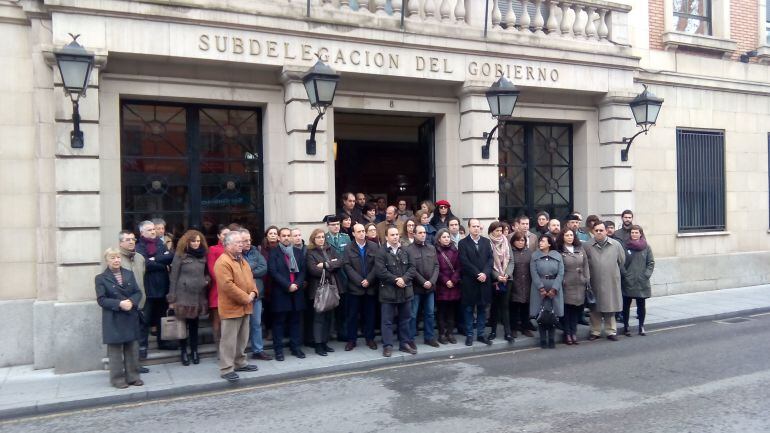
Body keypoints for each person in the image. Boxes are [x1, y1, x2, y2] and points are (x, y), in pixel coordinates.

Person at [214, 231, 259, 382]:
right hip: (231, 308)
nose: (241, 244)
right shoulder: (223, 262)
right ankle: (226, 368)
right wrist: (246, 297)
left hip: (245, 306)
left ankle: (240, 362)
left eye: (242, 242)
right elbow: (227, 286)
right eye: (238, 242)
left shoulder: (242, 260)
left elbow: (251, 279)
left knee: (242, 338)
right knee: (229, 340)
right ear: (227, 245)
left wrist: (254, 291)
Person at [96, 248, 143, 388]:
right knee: (115, 352)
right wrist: (119, 303)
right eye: (112, 258)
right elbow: (101, 299)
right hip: (113, 317)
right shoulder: (101, 278)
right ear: (107, 260)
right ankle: (117, 379)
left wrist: (132, 302)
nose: (116, 260)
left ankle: (133, 377)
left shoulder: (129, 273)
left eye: (118, 258)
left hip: (130, 315)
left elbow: (137, 292)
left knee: (132, 348)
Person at [167, 229, 209, 366]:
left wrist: (206, 281)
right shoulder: (180, 255)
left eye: (198, 241)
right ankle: (184, 351)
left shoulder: (203, 255)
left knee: (194, 325)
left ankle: (195, 351)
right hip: (182, 294)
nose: (196, 244)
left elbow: (208, 272)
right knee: (182, 325)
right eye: (193, 241)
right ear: (187, 242)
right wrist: (172, 298)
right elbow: (173, 277)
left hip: (198, 294)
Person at [135, 220, 175, 358]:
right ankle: (142, 347)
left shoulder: (159, 243)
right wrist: (161, 262)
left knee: (161, 317)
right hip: (148, 289)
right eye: (150, 230)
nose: (153, 231)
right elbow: (145, 264)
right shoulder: (139, 246)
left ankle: (163, 342)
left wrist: (154, 259)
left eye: (153, 229)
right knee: (144, 320)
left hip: (162, 286)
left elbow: (170, 256)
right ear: (142, 233)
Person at [375, 226, 415, 357]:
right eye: (392, 235)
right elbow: (380, 271)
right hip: (388, 292)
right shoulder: (381, 252)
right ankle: (388, 346)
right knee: (387, 321)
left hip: (405, 291)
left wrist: (404, 279)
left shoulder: (406, 250)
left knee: (405, 319)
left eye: (397, 234)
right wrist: (395, 280)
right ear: (386, 237)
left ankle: (404, 344)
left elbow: (412, 268)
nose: (395, 237)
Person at [269, 228, 307, 361]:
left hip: (296, 291)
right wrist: (288, 285)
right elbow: (273, 272)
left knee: (295, 321)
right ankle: (278, 350)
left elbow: (303, 270)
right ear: (279, 238)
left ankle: (295, 347)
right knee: (279, 323)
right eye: (283, 235)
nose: (286, 238)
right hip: (281, 292)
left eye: (288, 235)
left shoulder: (298, 252)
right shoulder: (274, 253)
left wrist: (296, 284)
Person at [585, 222, 626, 341]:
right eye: (596, 230)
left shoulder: (616, 245)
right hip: (594, 281)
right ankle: (595, 331)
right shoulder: (587, 246)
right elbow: (585, 263)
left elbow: (621, 261)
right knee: (594, 308)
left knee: (610, 307)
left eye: (601, 230)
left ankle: (611, 331)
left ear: (606, 231)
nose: (599, 232)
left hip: (611, 280)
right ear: (593, 231)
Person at [306, 228, 344, 356]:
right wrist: (330, 266)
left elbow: (339, 262)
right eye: (318, 237)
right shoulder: (310, 252)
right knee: (319, 318)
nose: (321, 239)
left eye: (322, 236)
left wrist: (324, 265)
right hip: (318, 289)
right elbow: (312, 270)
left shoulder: (330, 249)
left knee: (329, 317)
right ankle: (318, 344)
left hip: (332, 287)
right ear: (313, 239)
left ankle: (325, 342)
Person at [342, 223, 379, 351]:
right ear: (353, 234)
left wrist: (368, 280)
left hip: (370, 287)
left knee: (370, 315)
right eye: (359, 231)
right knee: (352, 316)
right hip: (354, 288)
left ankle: (370, 339)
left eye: (363, 231)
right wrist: (360, 281)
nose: (362, 233)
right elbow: (347, 266)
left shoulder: (374, 246)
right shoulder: (348, 248)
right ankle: (351, 340)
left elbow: (377, 265)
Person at [458, 218, 494, 346]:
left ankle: (481, 334)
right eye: (473, 226)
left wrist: (484, 273)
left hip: (484, 281)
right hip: (470, 282)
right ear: (469, 228)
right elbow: (464, 261)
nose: (476, 228)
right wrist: (477, 273)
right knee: (468, 309)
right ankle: (469, 334)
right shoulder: (463, 243)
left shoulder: (486, 242)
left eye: (478, 226)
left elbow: (490, 259)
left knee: (482, 309)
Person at [406, 225, 439, 348]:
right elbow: (411, 269)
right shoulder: (409, 249)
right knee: (413, 314)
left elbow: (436, 266)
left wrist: (432, 281)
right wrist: (422, 281)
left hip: (430, 287)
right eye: (420, 233)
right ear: (414, 234)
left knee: (430, 313)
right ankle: (410, 339)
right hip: (416, 288)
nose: (423, 234)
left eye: (424, 232)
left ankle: (429, 337)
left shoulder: (431, 248)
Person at [241, 228, 271, 361]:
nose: (248, 242)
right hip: (241, 295)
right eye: (245, 240)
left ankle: (258, 350)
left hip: (256, 293)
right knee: (241, 325)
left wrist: (247, 271)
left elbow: (264, 267)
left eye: (249, 240)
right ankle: (239, 353)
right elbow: (236, 272)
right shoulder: (235, 253)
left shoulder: (255, 251)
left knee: (256, 323)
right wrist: (252, 268)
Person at [530, 235, 564, 349]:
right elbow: (533, 273)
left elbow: (561, 273)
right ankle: (543, 339)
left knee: (552, 314)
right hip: (539, 289)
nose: (540, 243)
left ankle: (552, 339)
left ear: (549, 243)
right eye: (540, 241)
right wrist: (541, 288)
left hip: (554, 287)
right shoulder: (535, 256)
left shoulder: (557, 255)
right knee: (541, 314)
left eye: (543, 241)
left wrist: (555, 288)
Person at [556, 228, 590, 345]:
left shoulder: (580, 248)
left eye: (571, 235)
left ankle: (574, 332)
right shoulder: (559, 251)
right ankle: (567, 334)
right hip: (567, 283)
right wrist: (562, 281)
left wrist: (586, 278)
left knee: (576, 310)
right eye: (567, 235)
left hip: (579, 283)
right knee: (567, 310)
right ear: (563, 237)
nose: (570, 237)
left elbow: (586, 264)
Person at [621, 225, 655, 336]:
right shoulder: (624, 246)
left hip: (641, 281)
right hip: (628, 281)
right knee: (626, 305)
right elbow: (620, 262)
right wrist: (625, 275)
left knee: (641, 305)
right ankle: (626, 326)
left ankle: (641, 326)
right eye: (632, 232)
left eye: (636, 232)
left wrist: (646, 275)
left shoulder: (646, 247)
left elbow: (650, 262)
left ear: (640, 234)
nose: (634, 234)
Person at [488, 221, 514, 342]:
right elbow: (488, 262)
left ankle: (508, 332)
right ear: (491, 231)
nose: (499, 233)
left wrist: (507, 274)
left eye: (501, 230)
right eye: (497, 231)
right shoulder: (487, 243)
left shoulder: (506, 241)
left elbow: (511, 261)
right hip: (494, 280)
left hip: (506, 279)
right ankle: (493, 331)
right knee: (494, 306)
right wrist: (497, 276)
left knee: (505, 306)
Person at [434, 228, 461, 344]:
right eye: (444, 237)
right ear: (439, 239)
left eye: (448, 237)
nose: (446, 239)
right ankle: (441, 334)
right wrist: (446, 281)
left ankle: (450, 333)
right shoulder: (435, 251)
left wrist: (453, 280)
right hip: (441, 285)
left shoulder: (455, 250)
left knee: (452, 311)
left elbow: (459, 267)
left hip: (454, 285)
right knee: (441, 311)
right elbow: (436, 269)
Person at [206, 225, 230, 352]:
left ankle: (228, 346)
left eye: (229, 234)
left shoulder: (233, 248)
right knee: (217, 319)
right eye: (224, 234)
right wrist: (225, 283)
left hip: (232, 289)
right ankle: (218, 346)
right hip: (218, 289)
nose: (227, 236)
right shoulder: (213, 249)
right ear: (219, 236)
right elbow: (212, 269)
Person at [509, 231, 534, 337]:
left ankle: (525, 327)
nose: (520, 242)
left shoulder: (529, 252)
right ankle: (514, 328)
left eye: (522, 240)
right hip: (514, 283)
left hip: (527, 283)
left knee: (525, 307)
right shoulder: (510, 252)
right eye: (518, 240)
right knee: (514, 307)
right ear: (513, 241)